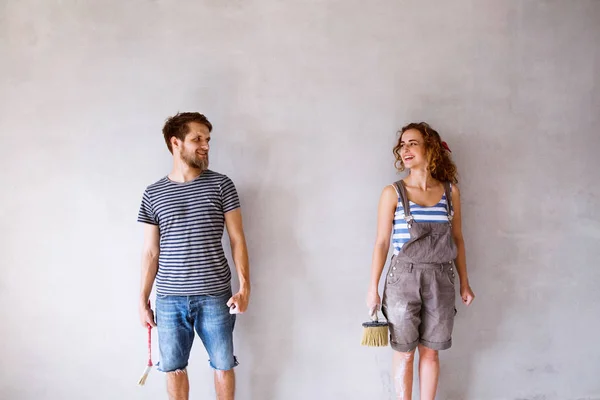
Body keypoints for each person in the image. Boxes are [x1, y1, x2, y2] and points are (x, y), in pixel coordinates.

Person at [137, 112, 250, 400]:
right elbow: (151, 252)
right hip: (169, 300)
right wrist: (142, 300)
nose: (206, 145)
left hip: (215, 296)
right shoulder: (153, 194)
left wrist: (245, 287)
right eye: (197, 138)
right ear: (176, 142)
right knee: (173, 368)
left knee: (223, 365)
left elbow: (237, 239)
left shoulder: (221, 185)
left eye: (208, 139)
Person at [366, 122, 475, 399]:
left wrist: (465, 282)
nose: (405, 149)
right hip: (403, 280)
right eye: (402, 145)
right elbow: (381, 243)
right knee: (404, 354)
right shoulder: (393, 193)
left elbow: (458, 239)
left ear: (431, 148)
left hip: (442, 279)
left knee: (431, 352)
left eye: (413, 143)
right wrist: (372, 289)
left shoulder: (450, 193)